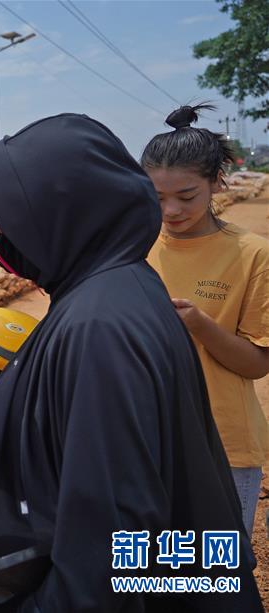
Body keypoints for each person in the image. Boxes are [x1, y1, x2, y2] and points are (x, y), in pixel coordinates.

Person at [0, 114, 261, 610]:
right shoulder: (116, 283)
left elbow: (109, 547)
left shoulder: (100, 331)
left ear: (61, 214)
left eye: (9, 215)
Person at [142, 104, 269, 539]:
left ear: (217, 181)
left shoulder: (253, 254)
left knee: (217, 583)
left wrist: (200, 324)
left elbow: (256, 364)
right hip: (145, 442)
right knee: (149, 580)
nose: (171, 210)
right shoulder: (135, 246)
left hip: (225, 446)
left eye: (186, 196)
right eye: (156, 198)